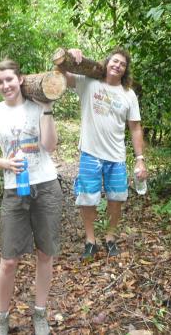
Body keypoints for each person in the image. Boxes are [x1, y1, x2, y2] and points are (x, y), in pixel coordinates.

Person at [0, 59, 62, 335]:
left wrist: (48, 109)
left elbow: (50, 146)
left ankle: (40, 314)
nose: (5, 86)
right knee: (9, 260)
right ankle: (1, 318)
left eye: (9, 80)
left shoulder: (38, 105)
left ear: (21, 79)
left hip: (46, 186)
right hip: (14, 190)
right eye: (0, 82)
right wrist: (6, 164)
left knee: (45, 254)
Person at [63, 47, 147, 260]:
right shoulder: (89, 83)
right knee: (87, 198)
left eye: (122, 64)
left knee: (116, 199)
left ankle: (110, 238)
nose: (117, 65)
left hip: (116, 156)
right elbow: (61, 76)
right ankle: (90, 241)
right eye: (115, 61)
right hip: (90, 152)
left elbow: (135, 127)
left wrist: (140, 159)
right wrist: (70, 56)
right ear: (107, 62)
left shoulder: (128, 95)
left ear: (125, 71)